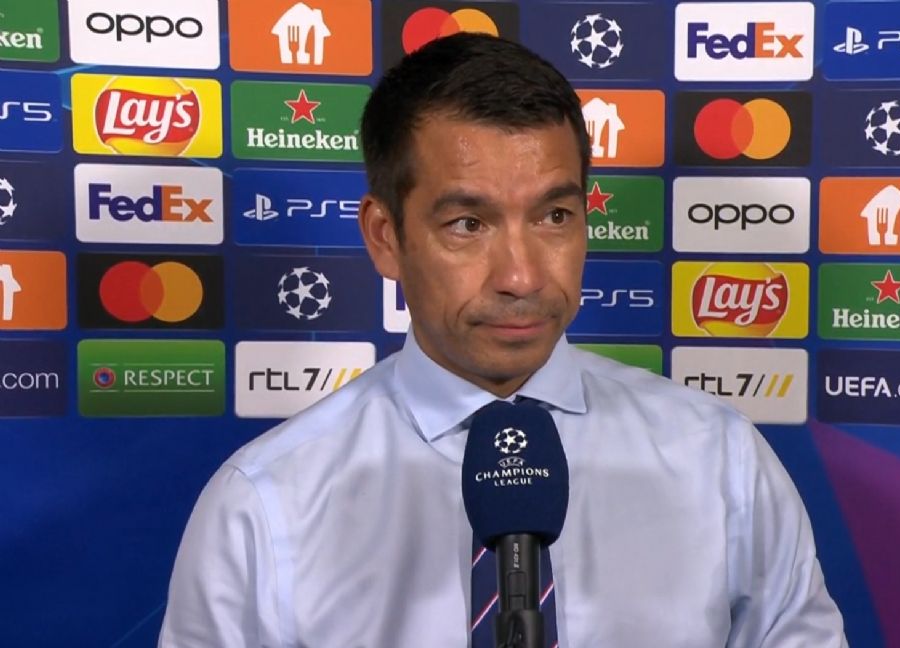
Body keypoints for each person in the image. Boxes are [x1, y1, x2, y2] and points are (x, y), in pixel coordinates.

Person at [158, 33, 847, 647]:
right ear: (385, 237)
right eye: (468, 224)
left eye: (554, 216)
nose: (522, 277)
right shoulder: (264, 504)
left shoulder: (721, 462)